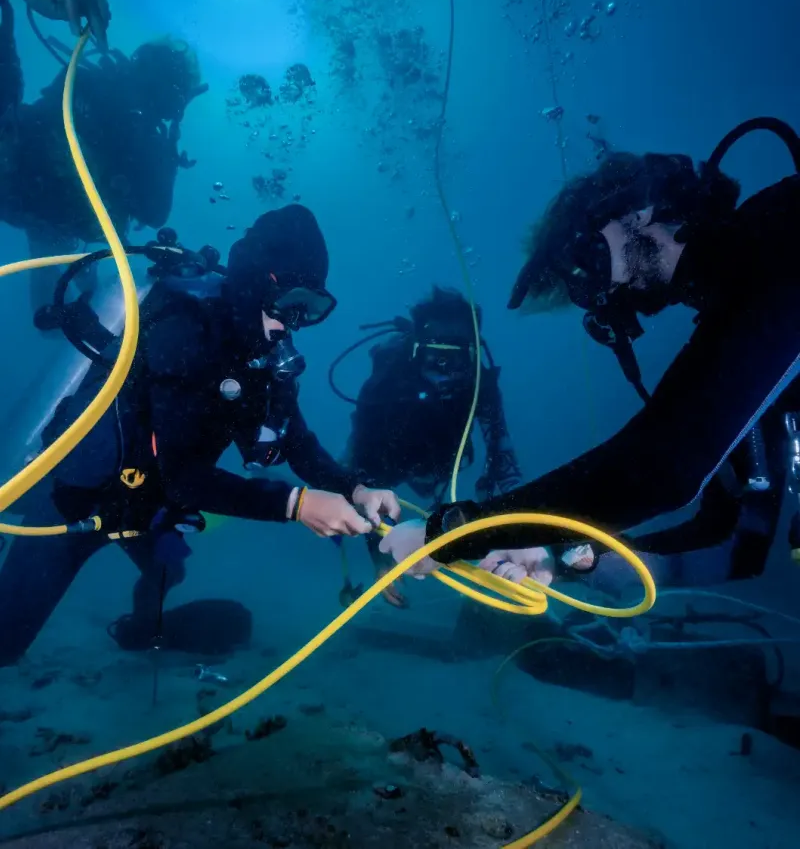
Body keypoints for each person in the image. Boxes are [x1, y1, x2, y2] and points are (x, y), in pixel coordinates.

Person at [378, 118, 800, 586]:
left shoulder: (781, 239)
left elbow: (665, 466)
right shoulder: (741, 315)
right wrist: (569, 557)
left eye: (584, 261)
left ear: (635, 212)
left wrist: (458, 533)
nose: (601, 291)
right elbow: (737, 541)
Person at [0, 204, 400, 665]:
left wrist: (354, 486)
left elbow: (295, 441)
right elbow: (184, 478)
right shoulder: (184, 329)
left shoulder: (259, 353)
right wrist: (297, 504)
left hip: (146, 508)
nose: (294, 323)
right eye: (292, 304)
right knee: (6, 641)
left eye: (311, 310)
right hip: (77, 503)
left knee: (169, 569)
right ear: (256, 281)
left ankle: (140, 632)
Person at [0, 0, 206, 315]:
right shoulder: (99, 85)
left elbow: (154, 212)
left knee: (54, 296)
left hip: (38, 207)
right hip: (28, 188)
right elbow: (154, 212)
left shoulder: (100, 84)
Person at [334, 287, 522, 605]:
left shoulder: (480, 385)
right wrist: (381, 560)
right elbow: (363, 475)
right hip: (384, 460)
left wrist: (515, 535)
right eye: (439, 358)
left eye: (459, 358)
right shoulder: (387, 384)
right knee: (340, 483)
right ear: (418, 351)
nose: (449, 373)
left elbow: (502, 460)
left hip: (437, 465)